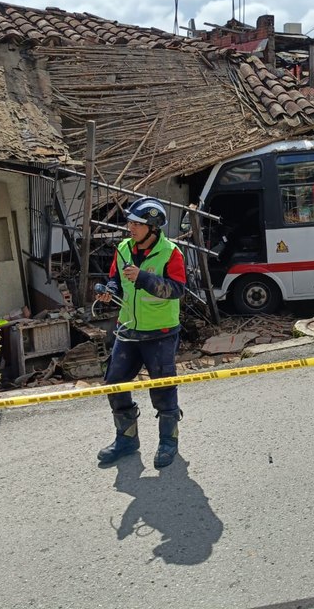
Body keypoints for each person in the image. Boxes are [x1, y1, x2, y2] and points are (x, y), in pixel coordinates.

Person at [95, 197, 187, 468]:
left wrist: (144, 278)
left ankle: (168, 442)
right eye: (130, 222)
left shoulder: (171, 253)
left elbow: (178, 289)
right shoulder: (123, 248)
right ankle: (126, 439)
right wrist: (109, 291)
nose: (130, 228)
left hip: (160, 332)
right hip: (128, 331)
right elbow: (115, 278)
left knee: (163, 389)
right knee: (115, 382)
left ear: (153, 227)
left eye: (137, 224)